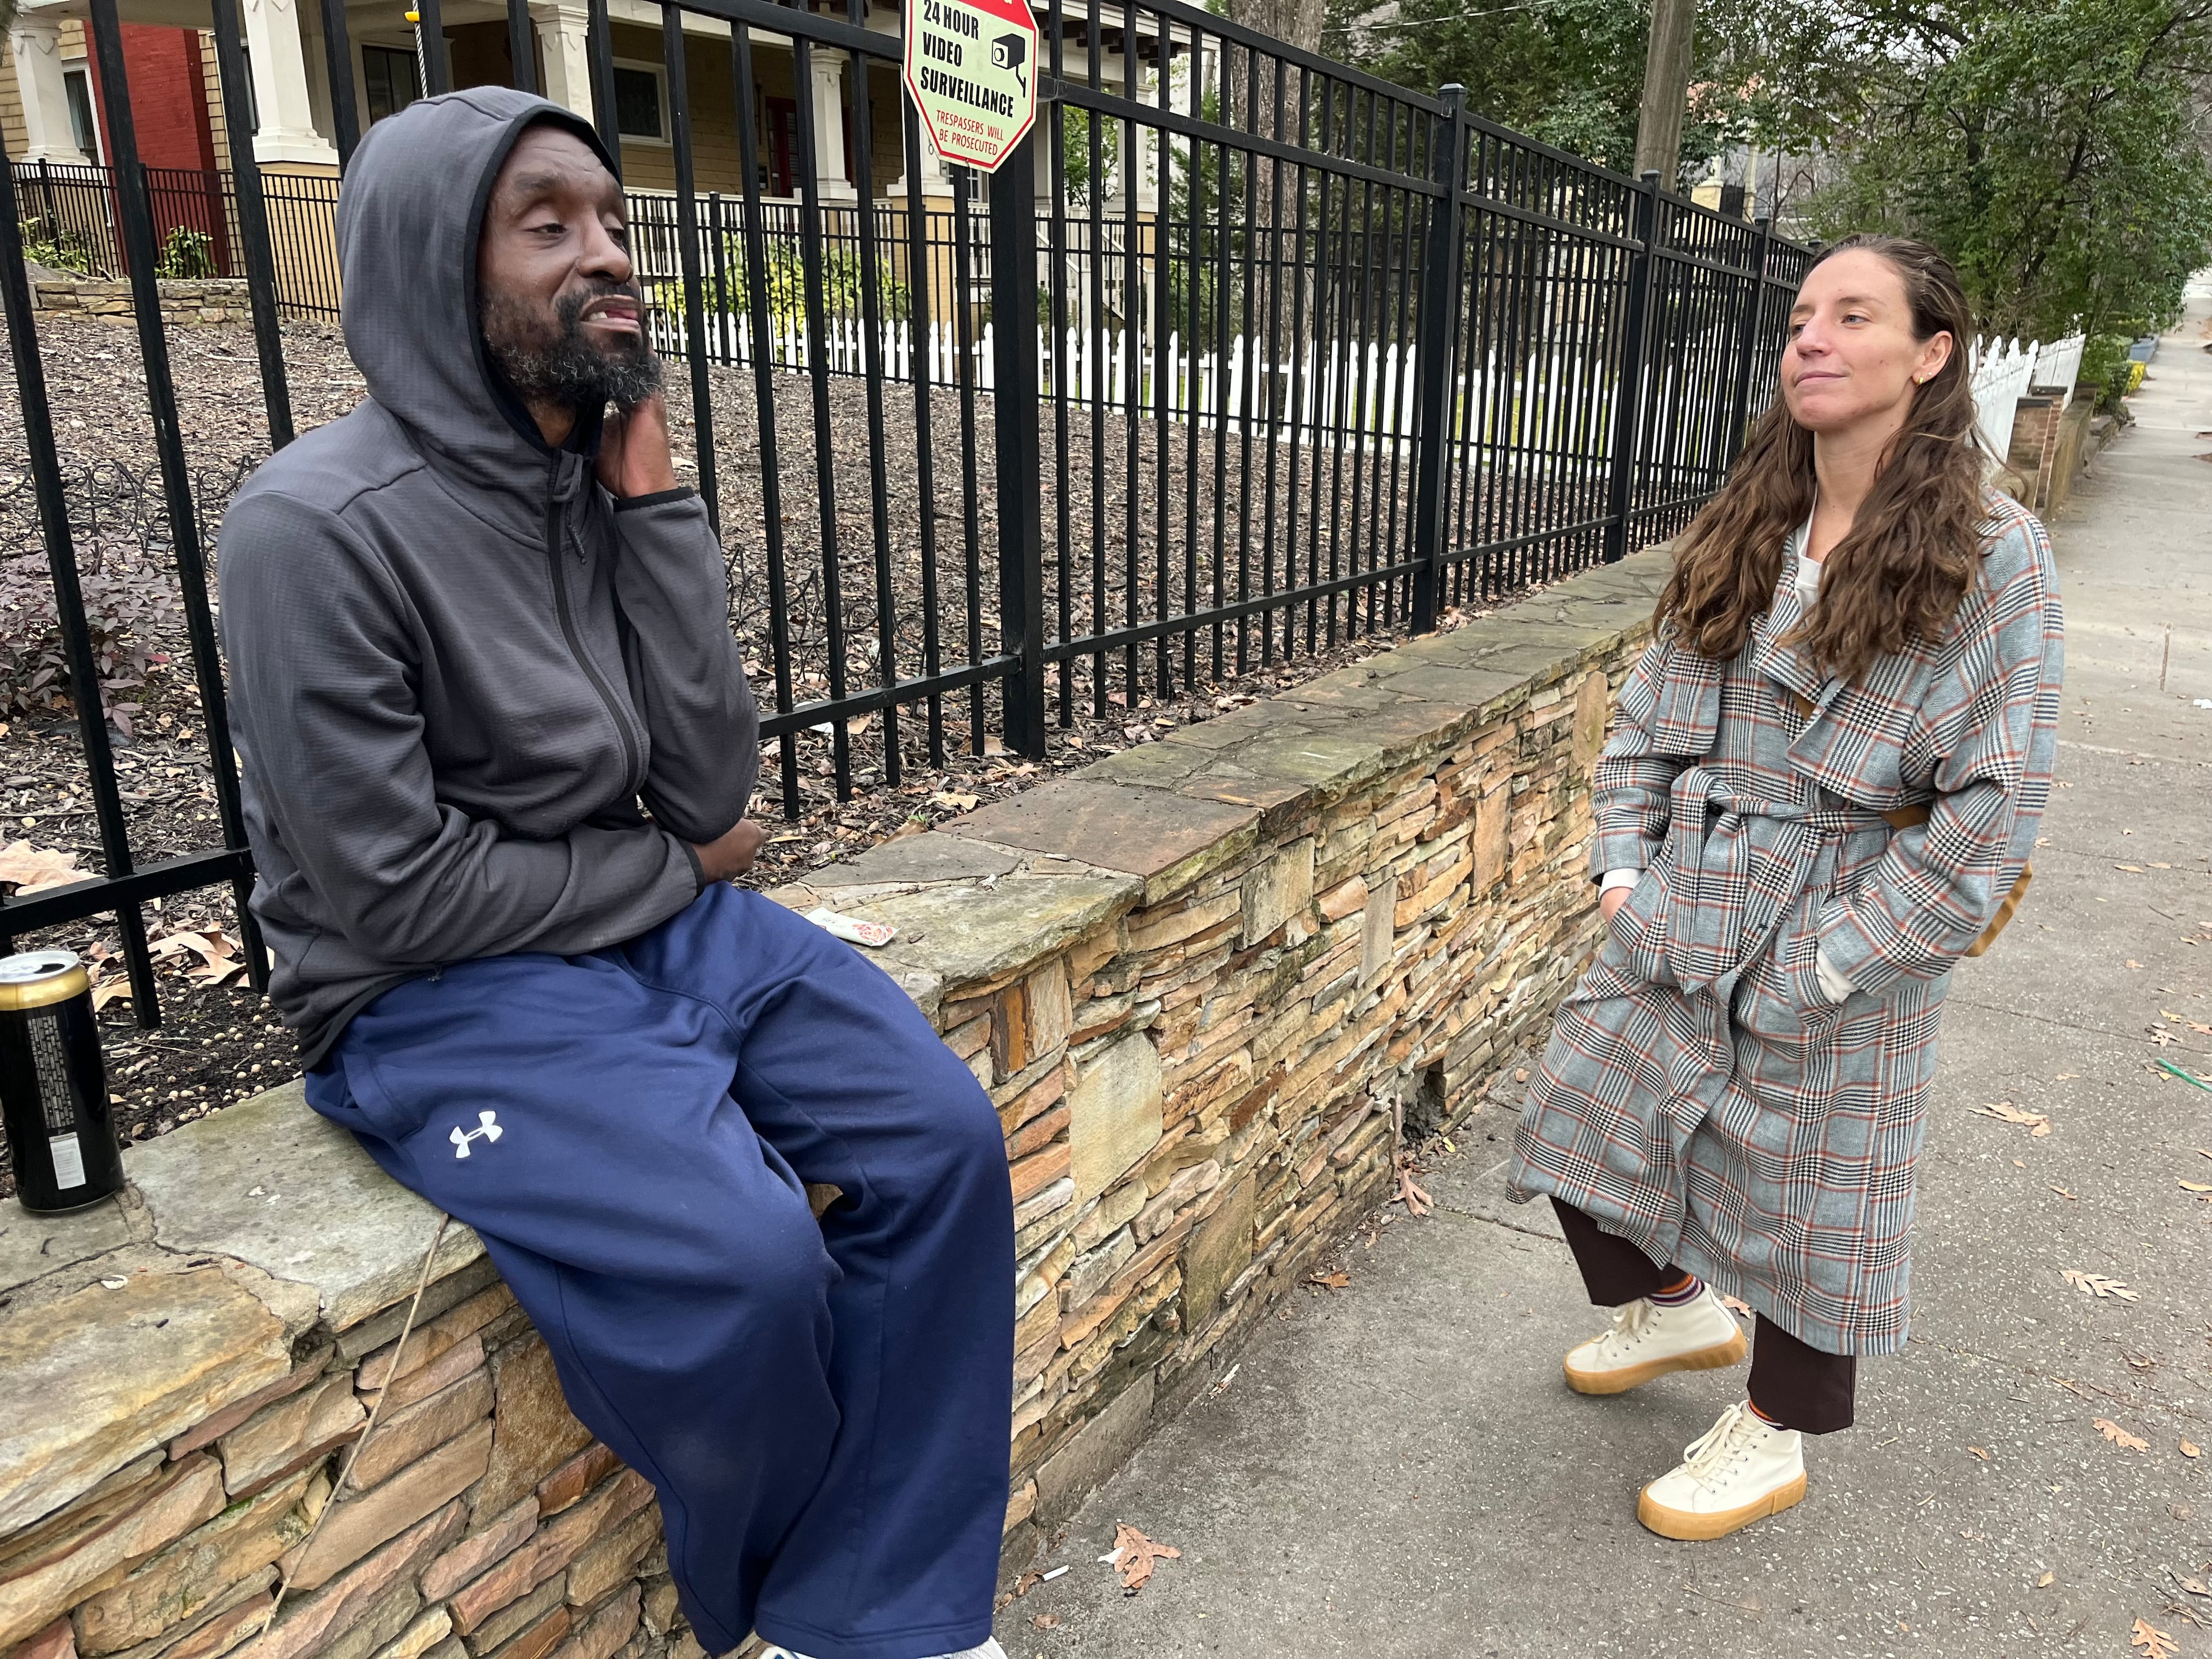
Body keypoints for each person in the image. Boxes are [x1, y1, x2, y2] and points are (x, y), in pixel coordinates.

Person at [217, 88, 1014, 1659]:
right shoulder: (311, 527)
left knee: (942, 1138)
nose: (609, 254)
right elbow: (396, 896)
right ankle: (819, 1617)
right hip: (433, 997)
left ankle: (874, 1608)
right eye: (549, 224)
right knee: (743, 1259)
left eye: (613, 218)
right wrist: (672, 868)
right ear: (433, 265)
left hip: (650, 932)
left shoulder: (596, 488)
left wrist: (659, 508)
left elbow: (716, 788)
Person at [1508, 235, 2062, 1541]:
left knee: (1817, 1188)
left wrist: (1835, 958)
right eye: (1802, 316)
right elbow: (1650, 713)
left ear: (1930, 354)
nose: (1811, 336)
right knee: (1583, 1109)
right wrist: (1622, 866)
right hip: (1692, 881)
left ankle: (1774, 1433)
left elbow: (1996, 807)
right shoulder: (1751, 519)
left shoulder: (1995, 554)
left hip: (1851, 899)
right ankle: (1679, 1306)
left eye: (1852, 316)